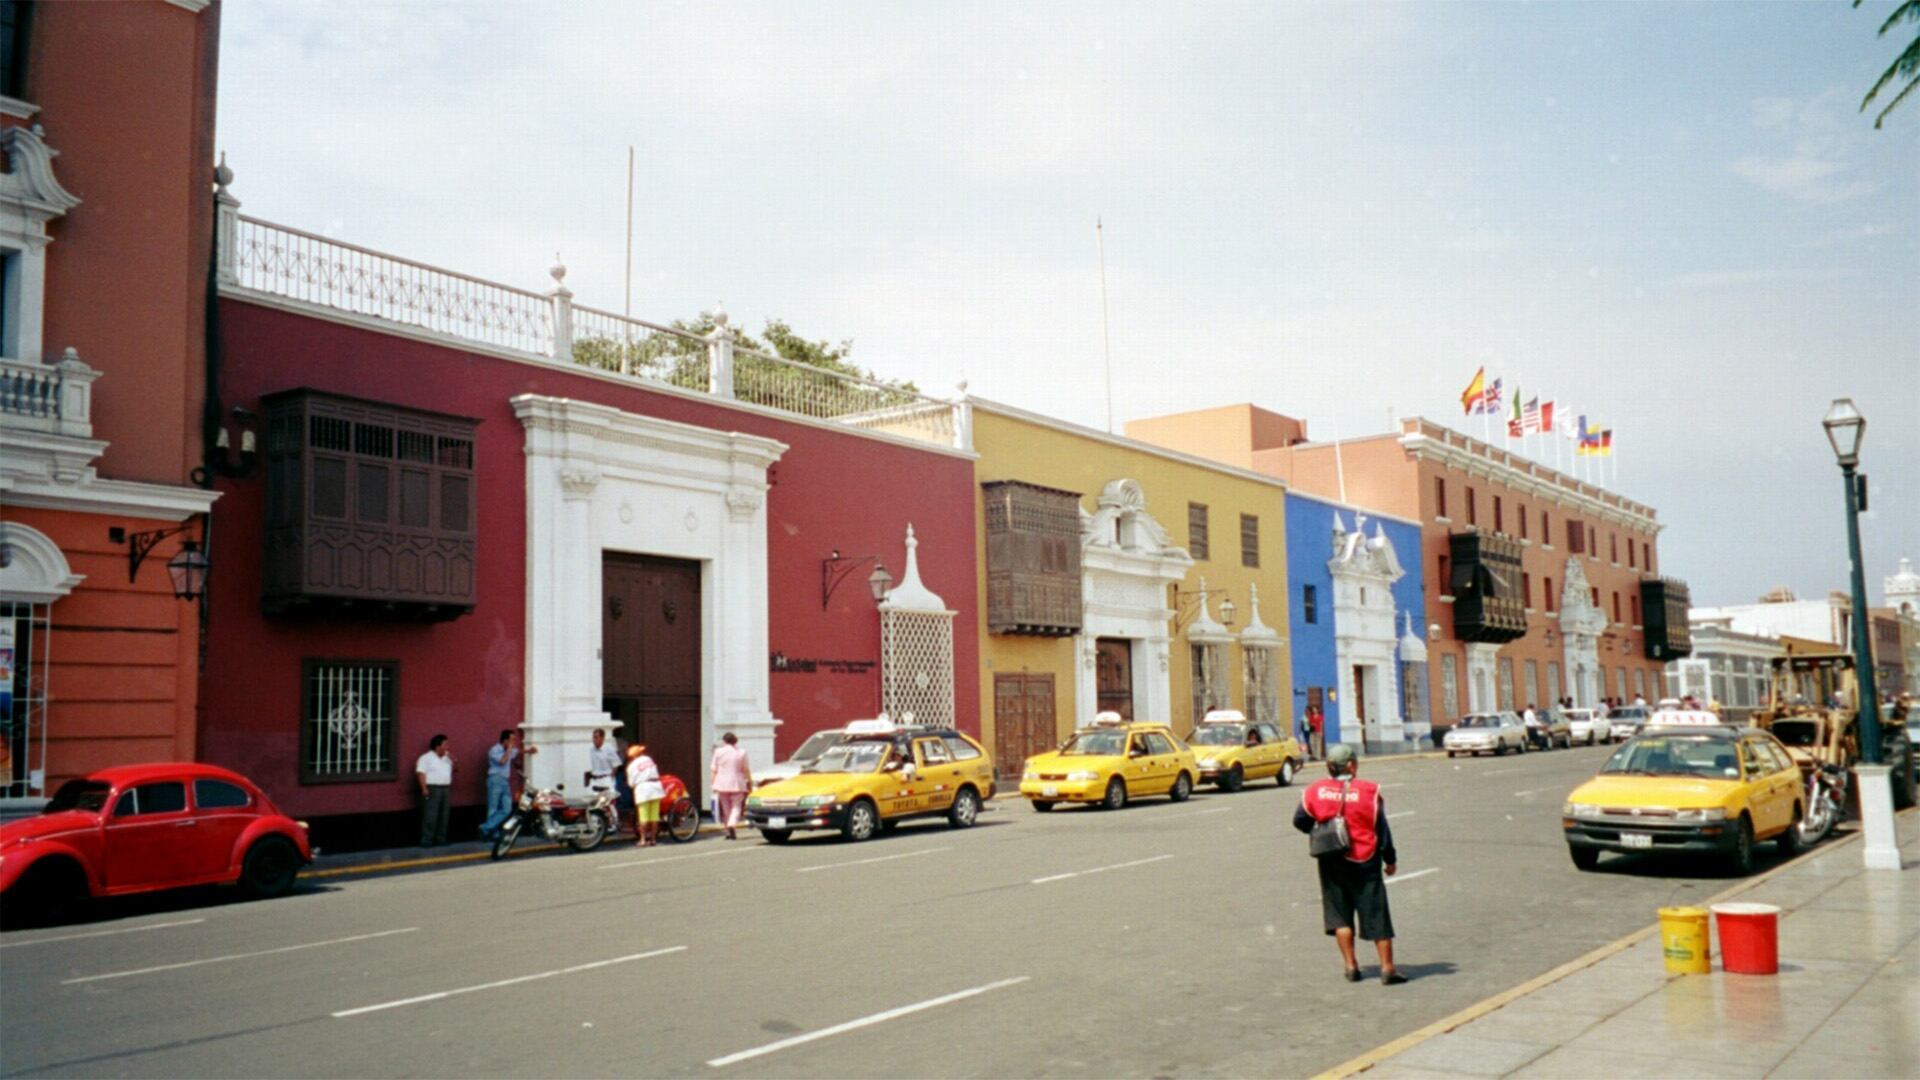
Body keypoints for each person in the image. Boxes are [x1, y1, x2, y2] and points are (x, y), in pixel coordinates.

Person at [1293, 744, 1405, 985]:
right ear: (1352, 765)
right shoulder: (1368, 792)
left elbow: (1300, 820)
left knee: (1339, 915)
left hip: (1331, 859)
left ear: (1329, 767)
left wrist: (1322, 830)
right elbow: (1381, 830)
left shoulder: (1316, 791)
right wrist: (1390, 860)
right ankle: (1387, 968)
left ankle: (1351, 966)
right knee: (1376, 914)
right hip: (1364, 860)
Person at [482, 728, 534, 840]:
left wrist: (529, 750)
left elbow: (519, 751)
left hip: (505, 780)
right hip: (495, 779)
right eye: (511, 740)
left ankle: (485, 827)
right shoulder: (494, 750)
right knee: (493, 808)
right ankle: (491, 833)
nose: (513, 743)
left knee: (507, 808)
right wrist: (509, 750)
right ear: (504, 740)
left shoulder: (510, 750)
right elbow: (502, 761)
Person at [710, 732, 753, 840]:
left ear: (724, 741)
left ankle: (728, 827)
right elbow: (745, 769)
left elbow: (714, 770)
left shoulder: (718, 752)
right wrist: (749, 781)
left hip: (721, 782)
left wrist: (713, 783)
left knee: (725, 807)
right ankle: (732, 823)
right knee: (736, 806)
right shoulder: (741, 752)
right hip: (737, 782)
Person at [415, 734, 454, 847]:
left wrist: (454, 760)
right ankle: (427, 840)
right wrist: (424, 788)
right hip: (432, 787)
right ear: (437, 746)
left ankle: (441, 839)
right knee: (430, 815)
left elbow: (456, 769)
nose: (447, 746)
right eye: (445, 744)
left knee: (444, 815)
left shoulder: (447, 758)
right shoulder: (426, 758)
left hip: (445, 788)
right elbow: (420, 773)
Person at [626, 743, 665, 847]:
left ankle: (643, 840)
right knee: (654, 816)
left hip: (643, 789)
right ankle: (653, 839)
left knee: (643, 817)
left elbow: (631, 784)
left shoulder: (631, 767)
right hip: (655, 787)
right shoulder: (648, 759)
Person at [584, 728, 621, 806]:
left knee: (608, 803)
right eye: (593, 737)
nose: (594, 740)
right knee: (595, 803)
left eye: (597, 737)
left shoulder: (609, 749)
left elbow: (616, 764)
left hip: (606, 779)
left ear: (602, 738)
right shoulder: (592, 750)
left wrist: (610, 777)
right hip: (595, 780)